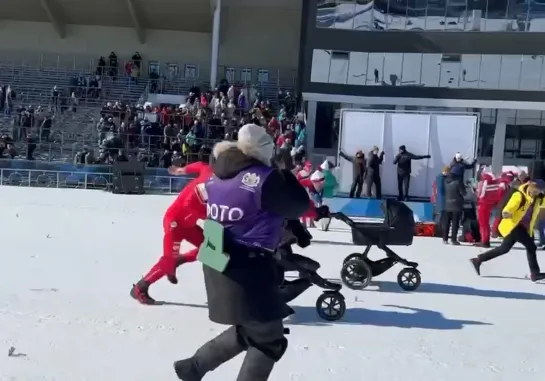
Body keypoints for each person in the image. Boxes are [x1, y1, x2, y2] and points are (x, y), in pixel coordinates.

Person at [173, 124, 313, 381]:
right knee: (269, 339)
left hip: (218, 259)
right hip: (247, 267)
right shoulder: (264, 178)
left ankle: (193, 367)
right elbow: (299, 205)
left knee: (252, 329)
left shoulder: (218, 173)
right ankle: (194, 367)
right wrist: (283, 171)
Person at [130, 147, 212, 304]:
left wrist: (181, 170)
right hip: (174, 222)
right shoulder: (210, 182)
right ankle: (140, 288)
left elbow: (200, 165)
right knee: (168, 261)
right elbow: (189, 204)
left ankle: (179, 259)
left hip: (188, 225)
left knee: (209, 249)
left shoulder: (210, 171)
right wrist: (208, 216)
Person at [470, 182, 545, 282]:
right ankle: (535, 273)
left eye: (538, 192)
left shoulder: (539, 198)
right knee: (531, 247)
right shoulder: (519, 195)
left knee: (504, 249)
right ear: (530, 189)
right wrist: (507, 212)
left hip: (523, 227)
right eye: (534, 192)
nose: (535, 194)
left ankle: (478, 260)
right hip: (513, 226)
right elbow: (510, 206)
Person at [475, 170, 507, 248]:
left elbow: (481, 193)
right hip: (490, 203)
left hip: (483, 203)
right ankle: (485, 240)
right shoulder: (495, 181)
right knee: (486, 223)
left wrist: (477, 195)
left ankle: (484, 241)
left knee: (483, 224)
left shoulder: (485, 180)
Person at [442, 173, 466, 245]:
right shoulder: (458, 182)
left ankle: (445, 239)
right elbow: (463, 193)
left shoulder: (445, 182)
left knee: (446, 223)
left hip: (447, 204)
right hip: (456, 205)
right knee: (455, 224)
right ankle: (453, 239)